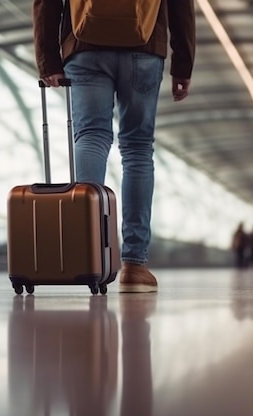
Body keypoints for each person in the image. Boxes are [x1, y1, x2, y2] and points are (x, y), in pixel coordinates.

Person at [33, 0, 196, 292]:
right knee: (137, 149)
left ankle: (86, 256)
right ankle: (135, 265)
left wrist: (48, 58)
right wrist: (183, 64)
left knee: (91, 137)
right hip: (144, 47)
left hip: (84, 47)